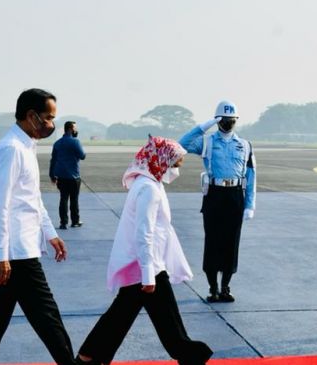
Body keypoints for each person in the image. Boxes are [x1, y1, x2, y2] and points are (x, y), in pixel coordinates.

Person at [76, 137, 212, 365]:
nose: (177, 168)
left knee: (125, 314)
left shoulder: (150, 183)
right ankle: (191, 355)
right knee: (164, 321)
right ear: (162, 160)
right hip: (147, 265)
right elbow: (144, 232)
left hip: (145, 263)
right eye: (175, 163)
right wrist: (149, 274)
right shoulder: (148, 189)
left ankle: (88, 357)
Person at [0, 88, 74, 365]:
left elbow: (32, 198)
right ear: (31, 116)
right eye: (48, 117)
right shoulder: (11, 149)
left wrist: (50, 233)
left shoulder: (27, 145)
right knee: (48, 319)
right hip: (17, 253)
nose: (51, 124)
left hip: (21, 247)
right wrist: (1, 255)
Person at [179, 100, 256, 303]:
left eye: (231, 120)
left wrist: (250, 204)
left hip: (235, 195)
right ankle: (213, 287)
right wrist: (203, 127)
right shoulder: (207, 142)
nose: (228, 124)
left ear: (236, 121)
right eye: (223, 120)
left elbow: (251, 176)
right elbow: (181, 145)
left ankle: (225, 287)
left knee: (231, 242)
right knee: (213, 241)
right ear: (217, 120)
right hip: (214, 194)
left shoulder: (245, 145)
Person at [50, 121, 87, 229]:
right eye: (75, 128)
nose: (76, 130)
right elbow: (82, 156)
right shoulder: (75, 142)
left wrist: (52, 175)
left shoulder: (57, 143)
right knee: (74, 199)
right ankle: (75, 221)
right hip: (74, 176)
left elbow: (53, 160)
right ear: (70, 129)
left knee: (63, 199)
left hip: (61, 176)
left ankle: (63, 223)